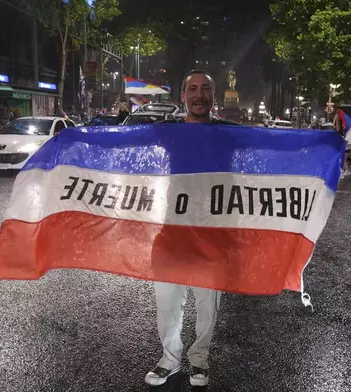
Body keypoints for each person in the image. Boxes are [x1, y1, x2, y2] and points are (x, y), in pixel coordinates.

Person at [144, 70, 232, 388]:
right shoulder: (168, 134)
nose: (198, 95)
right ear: (183, 96)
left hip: (212, 235)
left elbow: (270, 152)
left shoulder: (228, 136)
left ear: (213, 95)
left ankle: (199, 361)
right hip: (172, 233)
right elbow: (127, 147)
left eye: (205, 89)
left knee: (208, 305)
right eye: (192, 89)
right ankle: (170, 359)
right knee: (167, 303)